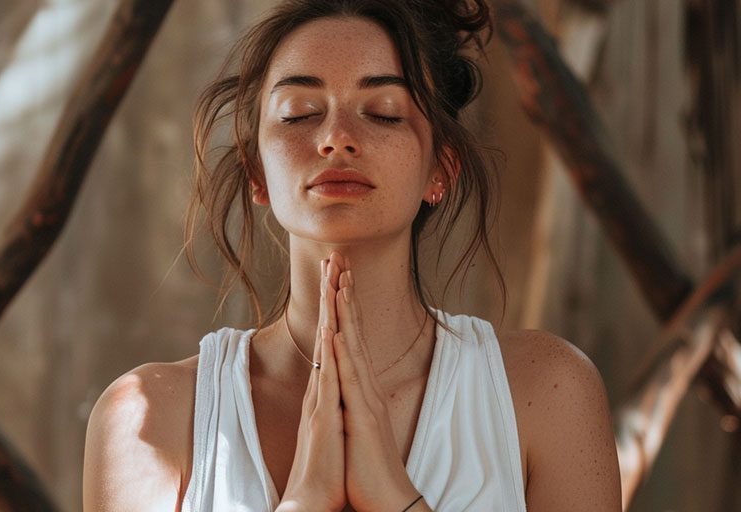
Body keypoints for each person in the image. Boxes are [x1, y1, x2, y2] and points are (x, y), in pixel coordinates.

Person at [83, 0, 622, 510]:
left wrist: (393, 496)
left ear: (441, 168)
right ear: (256, 172)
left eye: (384, 113)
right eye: (300, 113)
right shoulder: (147, 418)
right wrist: (303, 501)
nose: (336, 138)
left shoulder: (547, 393)